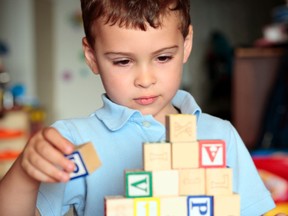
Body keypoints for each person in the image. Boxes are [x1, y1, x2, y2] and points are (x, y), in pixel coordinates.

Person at [0, 0, 285, 215]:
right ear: (92, 56)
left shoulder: (220, 136)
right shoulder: (72, 141)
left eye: (162, 58)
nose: (145, 80)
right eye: (123, 61)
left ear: (186, 45)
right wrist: (26, 172)